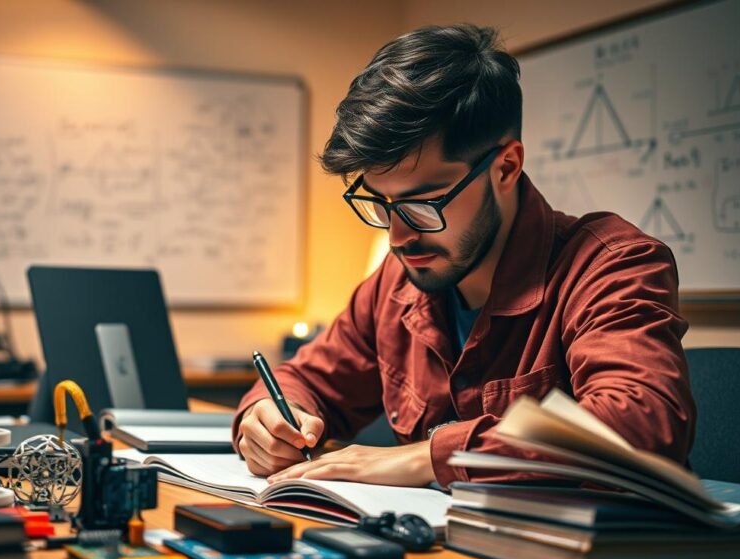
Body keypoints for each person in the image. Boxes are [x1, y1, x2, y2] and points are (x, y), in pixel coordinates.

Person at [232, 24, 695, 488]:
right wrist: (268, 416)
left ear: (506, 168)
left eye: (422, 204)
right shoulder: (397, 282)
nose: (397, 236)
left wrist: (429, 459)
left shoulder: (612, 265)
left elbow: (643, 422)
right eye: (380, 203)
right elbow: (306, 380)